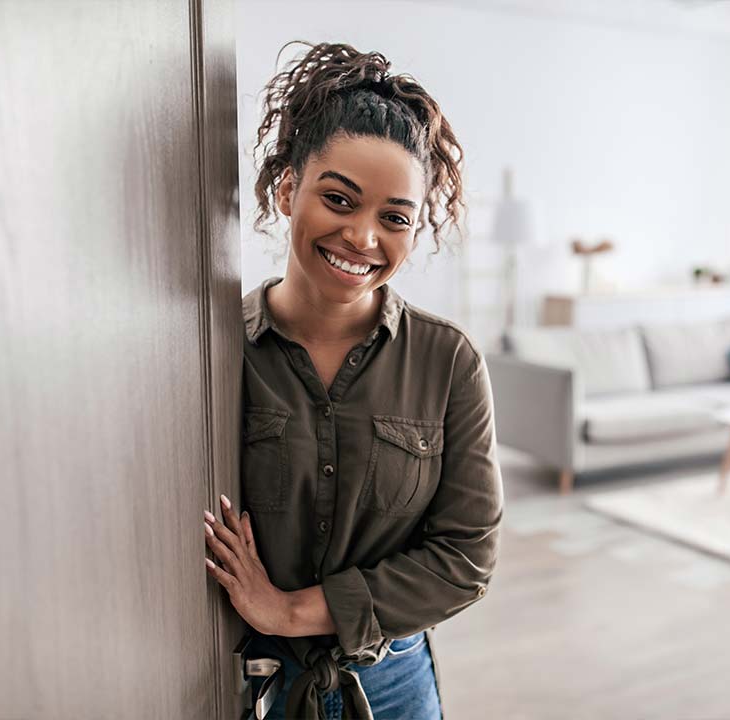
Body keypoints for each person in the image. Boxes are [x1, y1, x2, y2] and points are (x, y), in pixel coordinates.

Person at [202, 40, 504, 719]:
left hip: (395, 681)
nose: (363, 238)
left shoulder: (447, 361)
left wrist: (290, 610)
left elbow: (466, 559)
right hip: (258, 684)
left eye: (394, 217)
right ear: (287, 188)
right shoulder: (217, 352)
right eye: (339, 199)